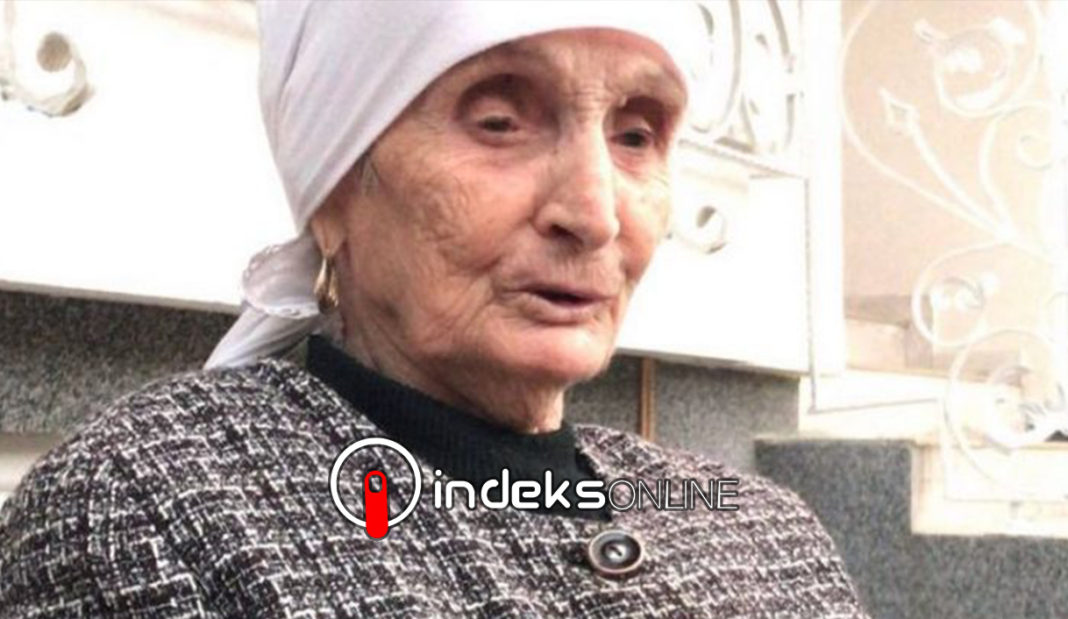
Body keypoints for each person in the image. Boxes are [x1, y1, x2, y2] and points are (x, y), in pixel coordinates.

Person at [0, 2, 868, 616]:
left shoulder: (758, 525)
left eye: (636, 134)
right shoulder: (154, 508)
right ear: (334, 188)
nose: (596, 212)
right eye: (498, 121)